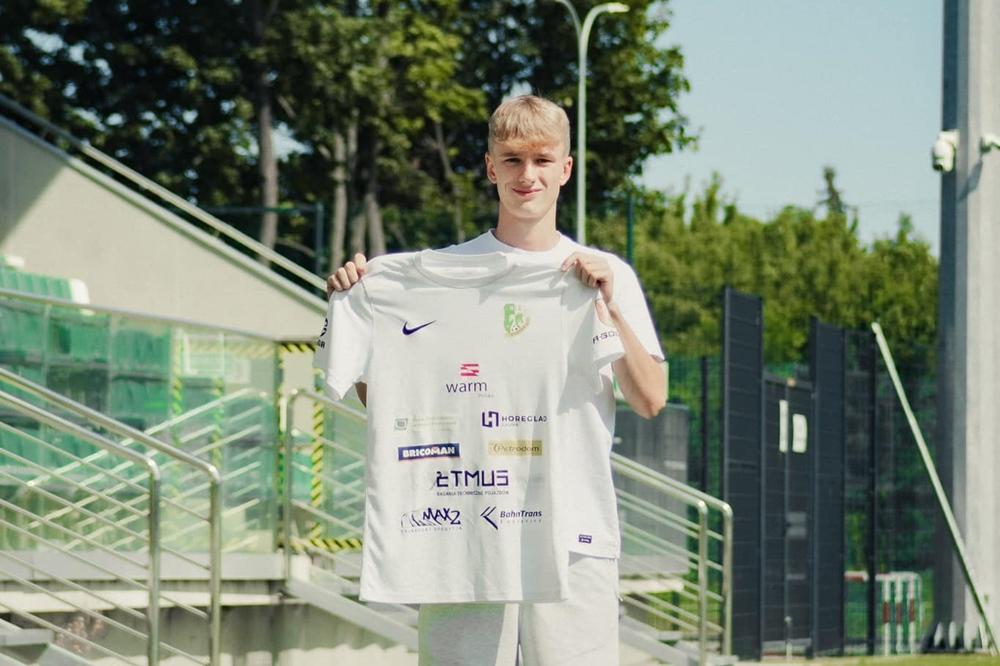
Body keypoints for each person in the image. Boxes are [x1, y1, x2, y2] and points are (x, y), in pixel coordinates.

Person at [324, 95, 665, 665]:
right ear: (490, 168)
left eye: (541, 160)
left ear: (565, 168)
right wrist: (359, 300)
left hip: (574, 536)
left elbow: (651, 398)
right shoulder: (431, 277)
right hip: (463, 533)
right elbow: (390, 398)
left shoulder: (604, 276)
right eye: (512, 160)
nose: (527, 175)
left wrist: (610, 308)